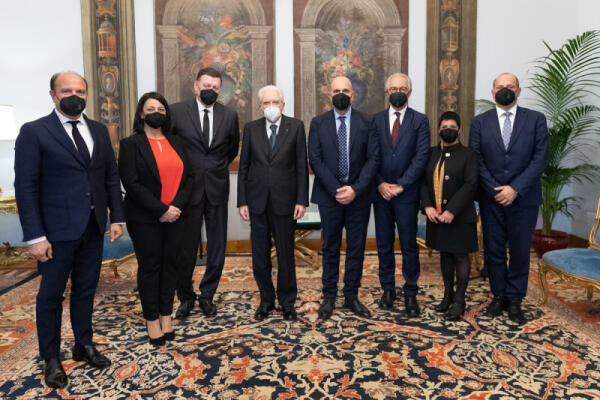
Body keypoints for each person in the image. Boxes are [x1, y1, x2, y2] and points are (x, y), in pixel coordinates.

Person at [14, 72, 124, 389]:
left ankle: (83, 344)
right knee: (51, 296)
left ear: (87, 94)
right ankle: (50, 357)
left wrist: (117, 218)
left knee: (86, 290)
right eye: (66, 91)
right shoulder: (34, 131)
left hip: (93, 227)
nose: (74, 96)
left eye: (80, 90)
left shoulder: (99, 130)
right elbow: (26, 187)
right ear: (53, 95)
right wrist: (35, 236)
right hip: (55, 232)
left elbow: (110, 176)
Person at [469, 72, 548, 324]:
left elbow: (540, 159)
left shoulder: (536, 120)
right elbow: (476, 158)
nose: (505, 90)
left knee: (520, 251)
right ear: (493, 92)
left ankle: (515, 299)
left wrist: (514, 189)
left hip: (524, 198)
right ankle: (499, 295)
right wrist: (496, 189)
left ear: (518, 91)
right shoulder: (479, 122)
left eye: (510, 86)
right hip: (491, 199)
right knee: (493, 250)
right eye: (500, 86)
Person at [119, 92, 194, 345]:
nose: (156, 113)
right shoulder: (131, 144)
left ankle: (166, 315)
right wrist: (161, 209)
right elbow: (132, 183)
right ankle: (151, 319)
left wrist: (175, 207)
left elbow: (190, 178)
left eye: (161, 109)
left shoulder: (177, 142)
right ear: (141, 114)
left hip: (176, 216)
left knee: (171, 266)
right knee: (150, 268)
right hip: (145, 218)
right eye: (150, 109)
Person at [171, 67, 240, 319]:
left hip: (217, 189)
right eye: (206, 85)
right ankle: (186, 297)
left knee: (217, 246)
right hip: (187, 190)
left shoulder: (229, 116)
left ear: (219, 90)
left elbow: (231, 149)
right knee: (185, 248)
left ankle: (207, 295)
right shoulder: (177, 112)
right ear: (196, 86)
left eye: (215, 87)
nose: (210, 90)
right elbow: (170, 147)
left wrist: (214, 168)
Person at [308, 76, 379, 321]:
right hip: (330, 196)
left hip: (359, 196)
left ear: (353, 95)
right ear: (329, 94)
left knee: (356, 248)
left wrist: (355, 190)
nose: (341, 94)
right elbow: (315, 159)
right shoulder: (318, 123)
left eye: (345, 90)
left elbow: (373, 159)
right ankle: (329, 296)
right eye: (336, 90)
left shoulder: (367, 122)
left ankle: (351, 295)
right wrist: (337, 189)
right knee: (330, 247)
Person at [237, 85, 309, 321]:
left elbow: (301, 166)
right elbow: (244, 167)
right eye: (266, 103)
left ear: (283, 104)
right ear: (260, 106)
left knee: (286, 254)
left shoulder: (296, 127)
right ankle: (266, 301)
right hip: (257, 202)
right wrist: (242, 201)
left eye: (275, 102)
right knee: (260, 256)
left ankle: (287, 302)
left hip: (285, 202)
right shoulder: (251, 129)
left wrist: (301, 200)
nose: (271, 107)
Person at [372, 73, 430, 317]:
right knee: (384, 244)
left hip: (407, 195)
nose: (398, 92)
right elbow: (370, 156)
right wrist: (380, 183)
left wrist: (401, 185)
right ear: (387, 92)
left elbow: (421, 157)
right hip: (381, 194)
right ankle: (388, 289)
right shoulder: (375, 120)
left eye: (402, 88)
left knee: (409, 245)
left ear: (409, 92)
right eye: (393, 88)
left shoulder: (420, 121)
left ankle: (410, 292)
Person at [421, 111, 478, 320]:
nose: (448, 130)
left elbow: (471, 184)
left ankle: (460, 301)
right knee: (444, 255)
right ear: (438, 129)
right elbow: (423, 182)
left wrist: (451, 210)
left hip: (460, 216)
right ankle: (448, 296)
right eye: (444, 127)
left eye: (452, 127)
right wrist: (427, 206)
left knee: (460, 256)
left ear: (459, 130)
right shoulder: (431, 153)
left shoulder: (468, 154)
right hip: (436, 216)